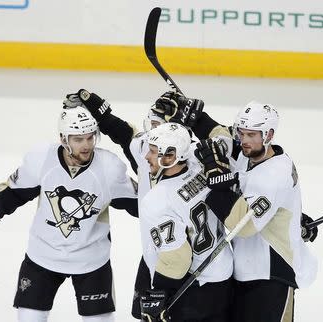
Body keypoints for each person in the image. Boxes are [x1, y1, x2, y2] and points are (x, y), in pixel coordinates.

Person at [0, 106, 138, 322]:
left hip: (91, 260)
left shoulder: (109, 168)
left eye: (90, 137)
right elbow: (14, 193)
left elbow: (140, 205)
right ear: (64, 139)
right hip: (43, 255)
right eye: (78, 139)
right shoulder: (42, 158)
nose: (86, 145)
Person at [62, 89, 222, 319]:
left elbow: (229, 144)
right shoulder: (151, 150)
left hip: (188, 268)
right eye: (153, 126)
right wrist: (97, 108)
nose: (152, 137)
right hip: (157, 254)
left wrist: (201, 120)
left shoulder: (197, 160)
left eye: (161, 128)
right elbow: (123, 133)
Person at [194, 102, 318, 321]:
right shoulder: (249, 154)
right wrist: (195, 117)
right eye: (241, 133)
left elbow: (245, 225)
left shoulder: (274, 175)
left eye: (251, 134)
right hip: (244, 272)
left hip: (273, 277)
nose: (244, 141)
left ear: (268, 134)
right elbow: (222, 139)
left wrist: (216, 184)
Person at [139, 122, 233, 322]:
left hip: (192, 289)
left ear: (171, 156)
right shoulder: (201, 166)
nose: (147, 156)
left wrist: (160, 294)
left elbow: (177, 259)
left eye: (154, 151)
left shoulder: (157, 199)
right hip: (224, 275)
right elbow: (224, 140)